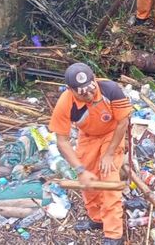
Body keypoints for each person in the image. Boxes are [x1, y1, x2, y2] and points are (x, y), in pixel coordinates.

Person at [49, 63, 132, 245]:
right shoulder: (65, 102)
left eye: (90, 89)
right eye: (81, 93)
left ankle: (113, 234)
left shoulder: (110, 89)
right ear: (71, 90)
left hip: (112, 134)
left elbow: (123, 123)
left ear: (94, 78)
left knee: (108, 179)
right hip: (87, 135)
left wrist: (109, 153)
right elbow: (62, 141)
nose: (88, 95)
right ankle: (97, 219)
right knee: (88, 179)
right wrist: (80, 170)